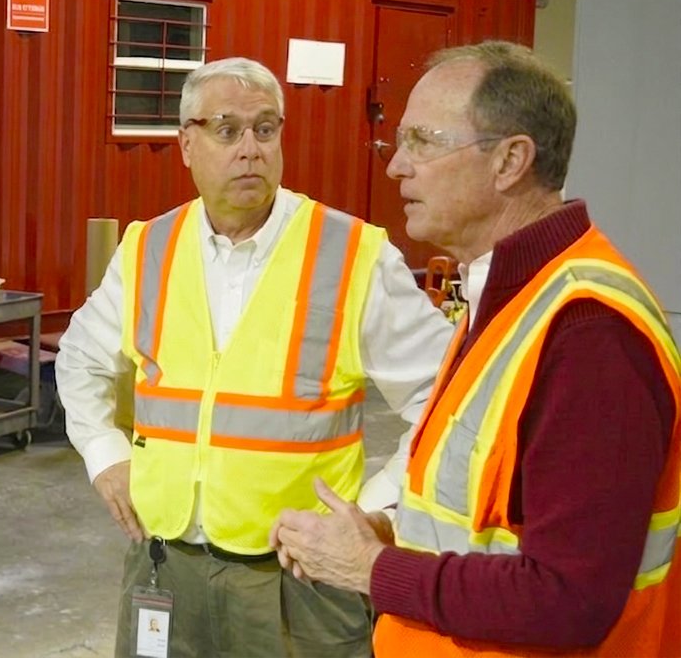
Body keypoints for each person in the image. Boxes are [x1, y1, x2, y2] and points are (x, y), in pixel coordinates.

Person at [272, 41, 681, 655]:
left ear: (510, 160)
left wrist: (374, 569)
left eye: (423, 141)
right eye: (398, 142)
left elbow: (569, 599)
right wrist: (391, 535)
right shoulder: (508, 296)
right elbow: (488, 522)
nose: (396, 167)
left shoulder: (589, 333)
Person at [54, 56, 455, 657]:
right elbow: (80, 358)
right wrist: (105, 455)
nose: (251, 149)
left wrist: (375, 511)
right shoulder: (148, 248)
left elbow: (447, 401)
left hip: (299, 582)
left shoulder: (349, 255)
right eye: (227, 130)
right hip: (164, 566)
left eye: (265, 129)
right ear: (187, 144)